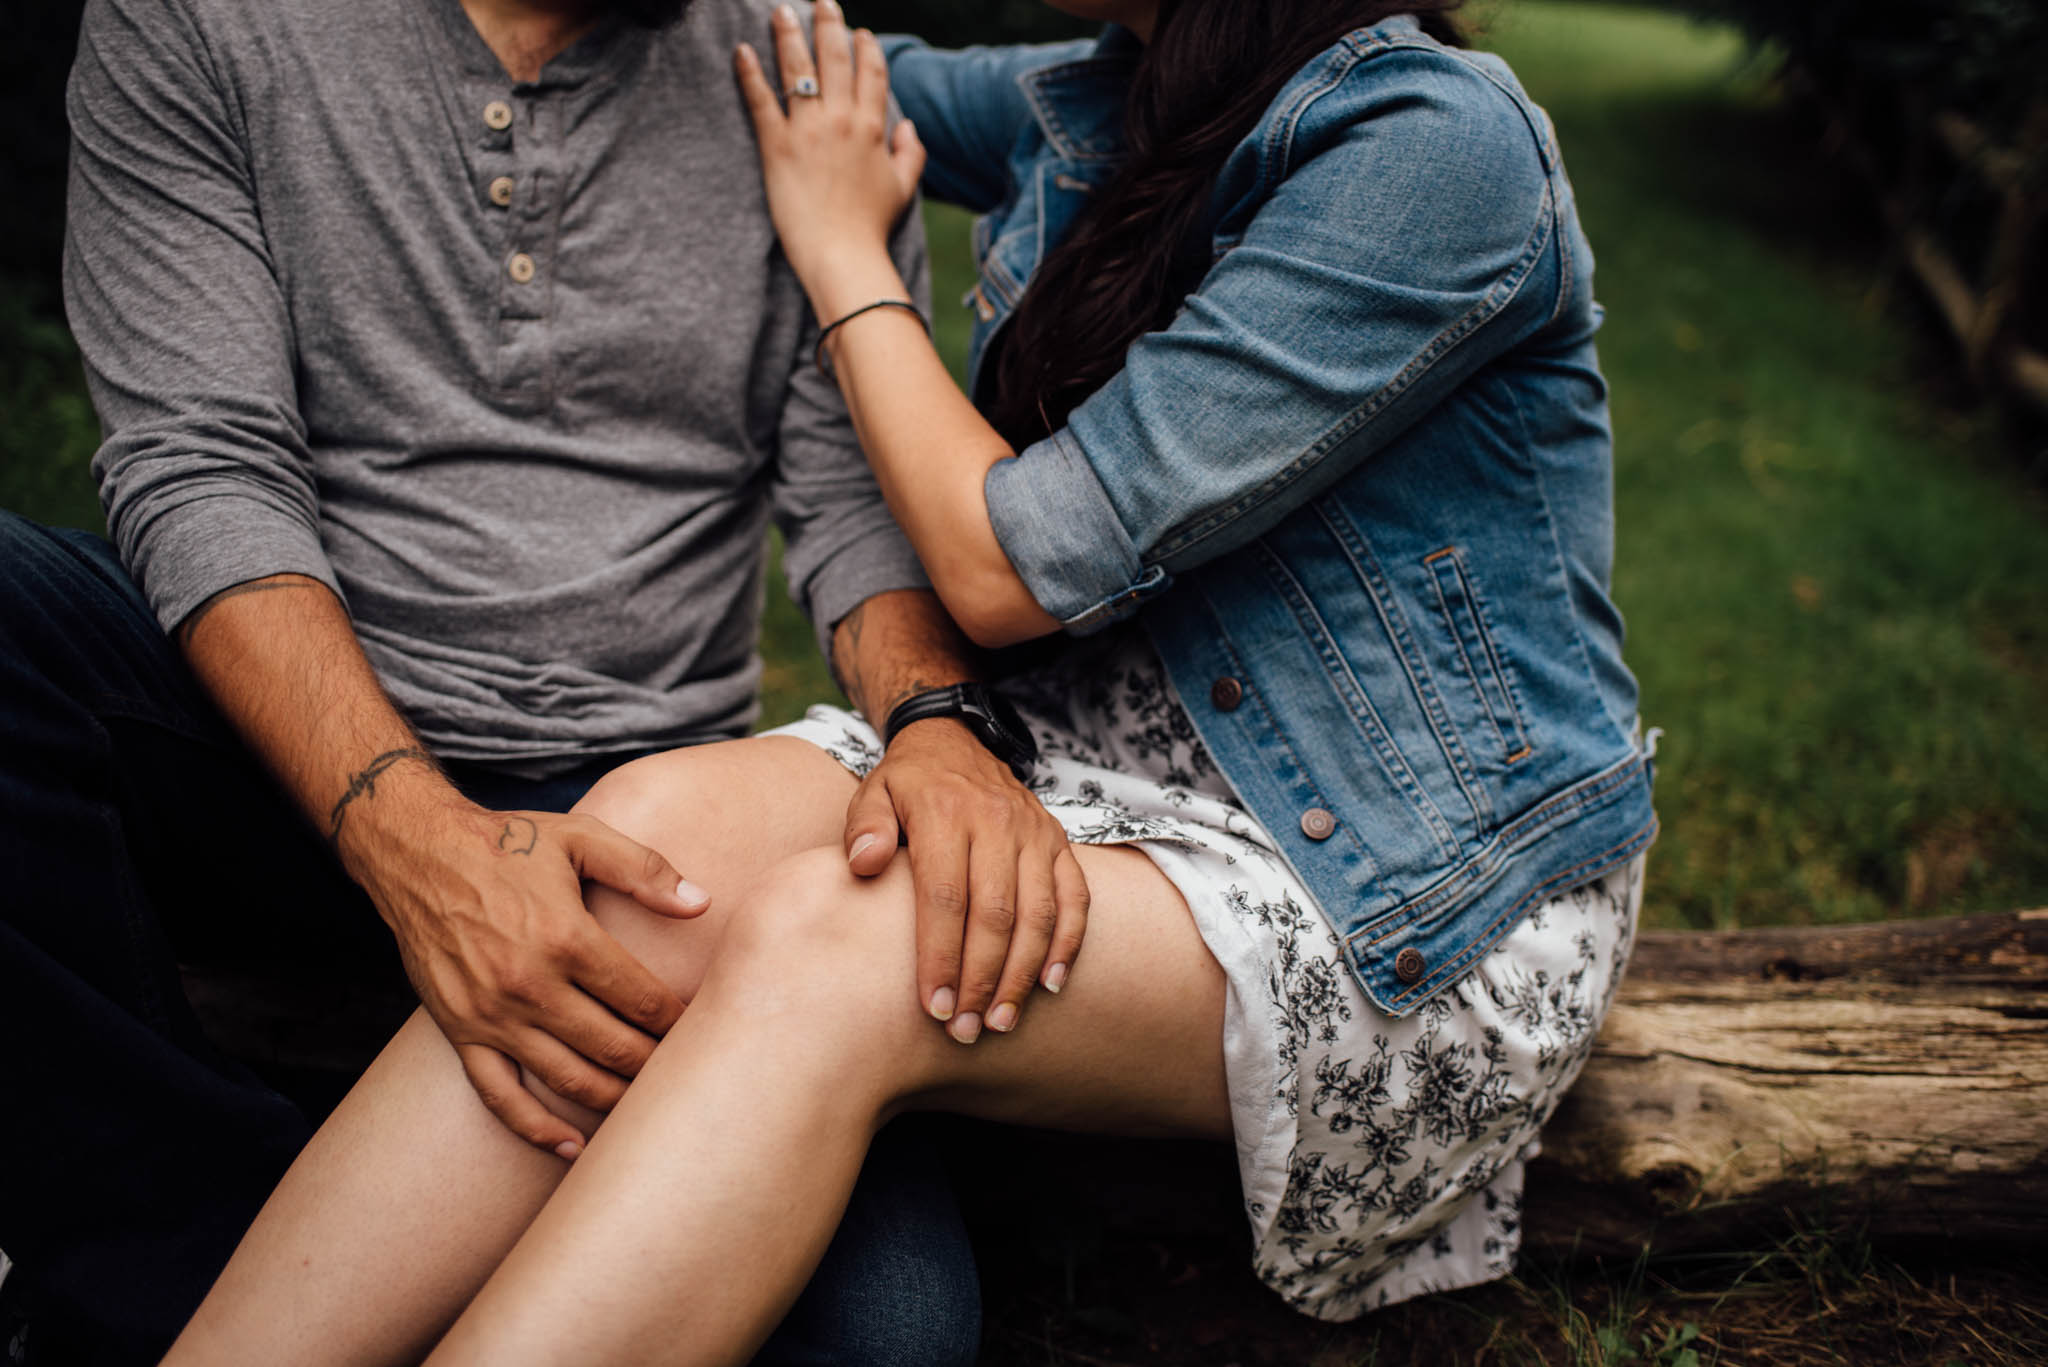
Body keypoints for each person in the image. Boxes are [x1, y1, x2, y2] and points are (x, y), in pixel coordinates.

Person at [163, 0, 1660, 1359]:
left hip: (1404, 890)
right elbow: (781, 69)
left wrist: (836, 252)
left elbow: (1007, 569)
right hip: (1104, 764)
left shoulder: (1436, 149)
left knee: (848, 942)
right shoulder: (1114, 95)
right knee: (649, 849)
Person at [0, 0, 1072, 1361]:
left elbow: (856, 516)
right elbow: (204, 472)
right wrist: (418, 845)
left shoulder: (793, 67)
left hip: (644, 826)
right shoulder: (201, 21)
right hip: (274, 740)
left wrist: (934, 720)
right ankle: (177, 1270)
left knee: (892, 1334)